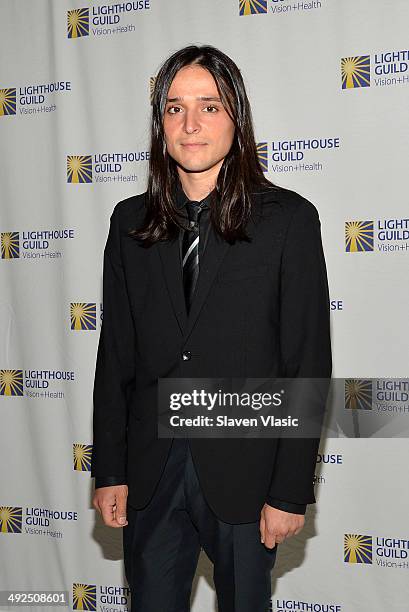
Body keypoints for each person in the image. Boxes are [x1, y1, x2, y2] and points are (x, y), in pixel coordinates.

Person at [91, 44, 332, 612]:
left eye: (210, 106)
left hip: (247, 476)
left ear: (237, 118)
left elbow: (307, 362)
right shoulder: (131, 223)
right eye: (175, 108)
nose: (191, 124)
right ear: (160, 124)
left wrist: (289, 490)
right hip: (151, 475)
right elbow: (116, 357)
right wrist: (110, 469)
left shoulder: (288, 221)